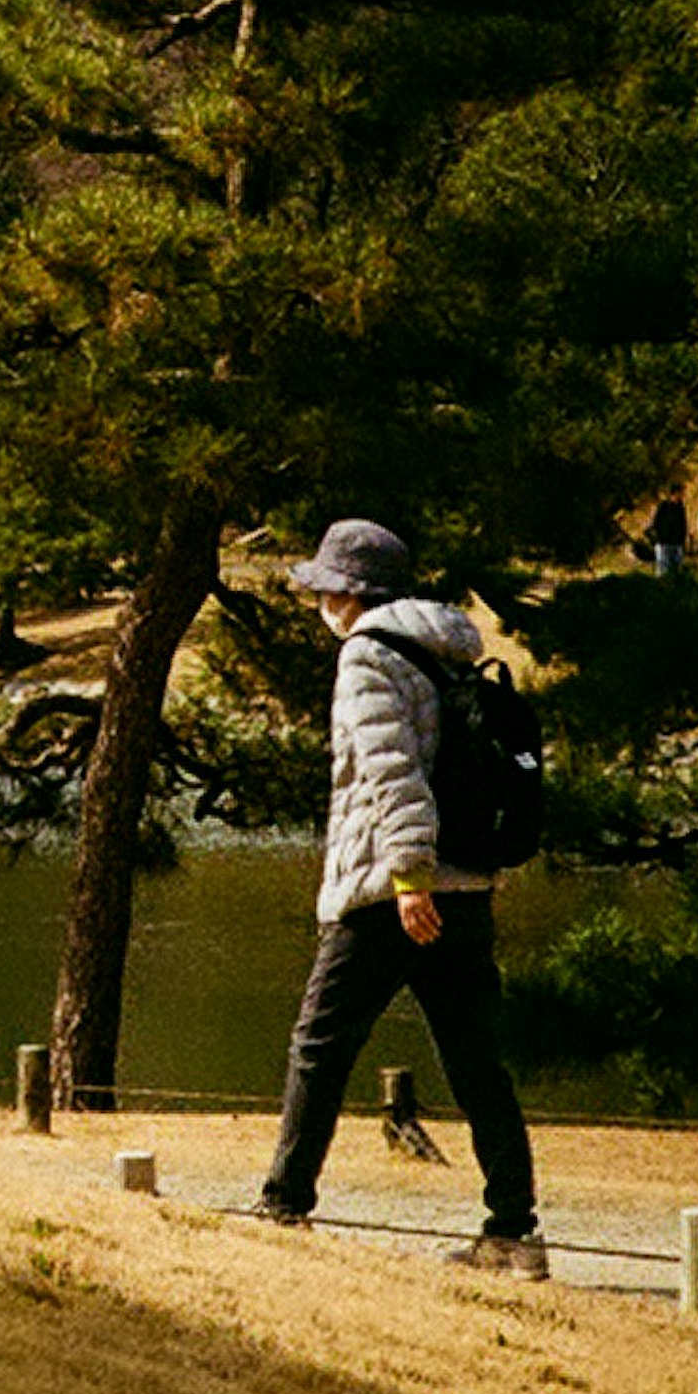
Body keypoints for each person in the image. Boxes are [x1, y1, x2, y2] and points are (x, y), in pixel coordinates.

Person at [255, 517, 545, 1275]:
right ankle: (515, 1230)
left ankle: (284, 1204)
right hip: (468, 883)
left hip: (392, 889)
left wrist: (411, 876)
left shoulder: (367, 655)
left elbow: (393, 772)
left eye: (321, 585)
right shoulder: (449, 650)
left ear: (349, 591)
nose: (315, 597)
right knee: (478, 1060)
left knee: (318, 1043)